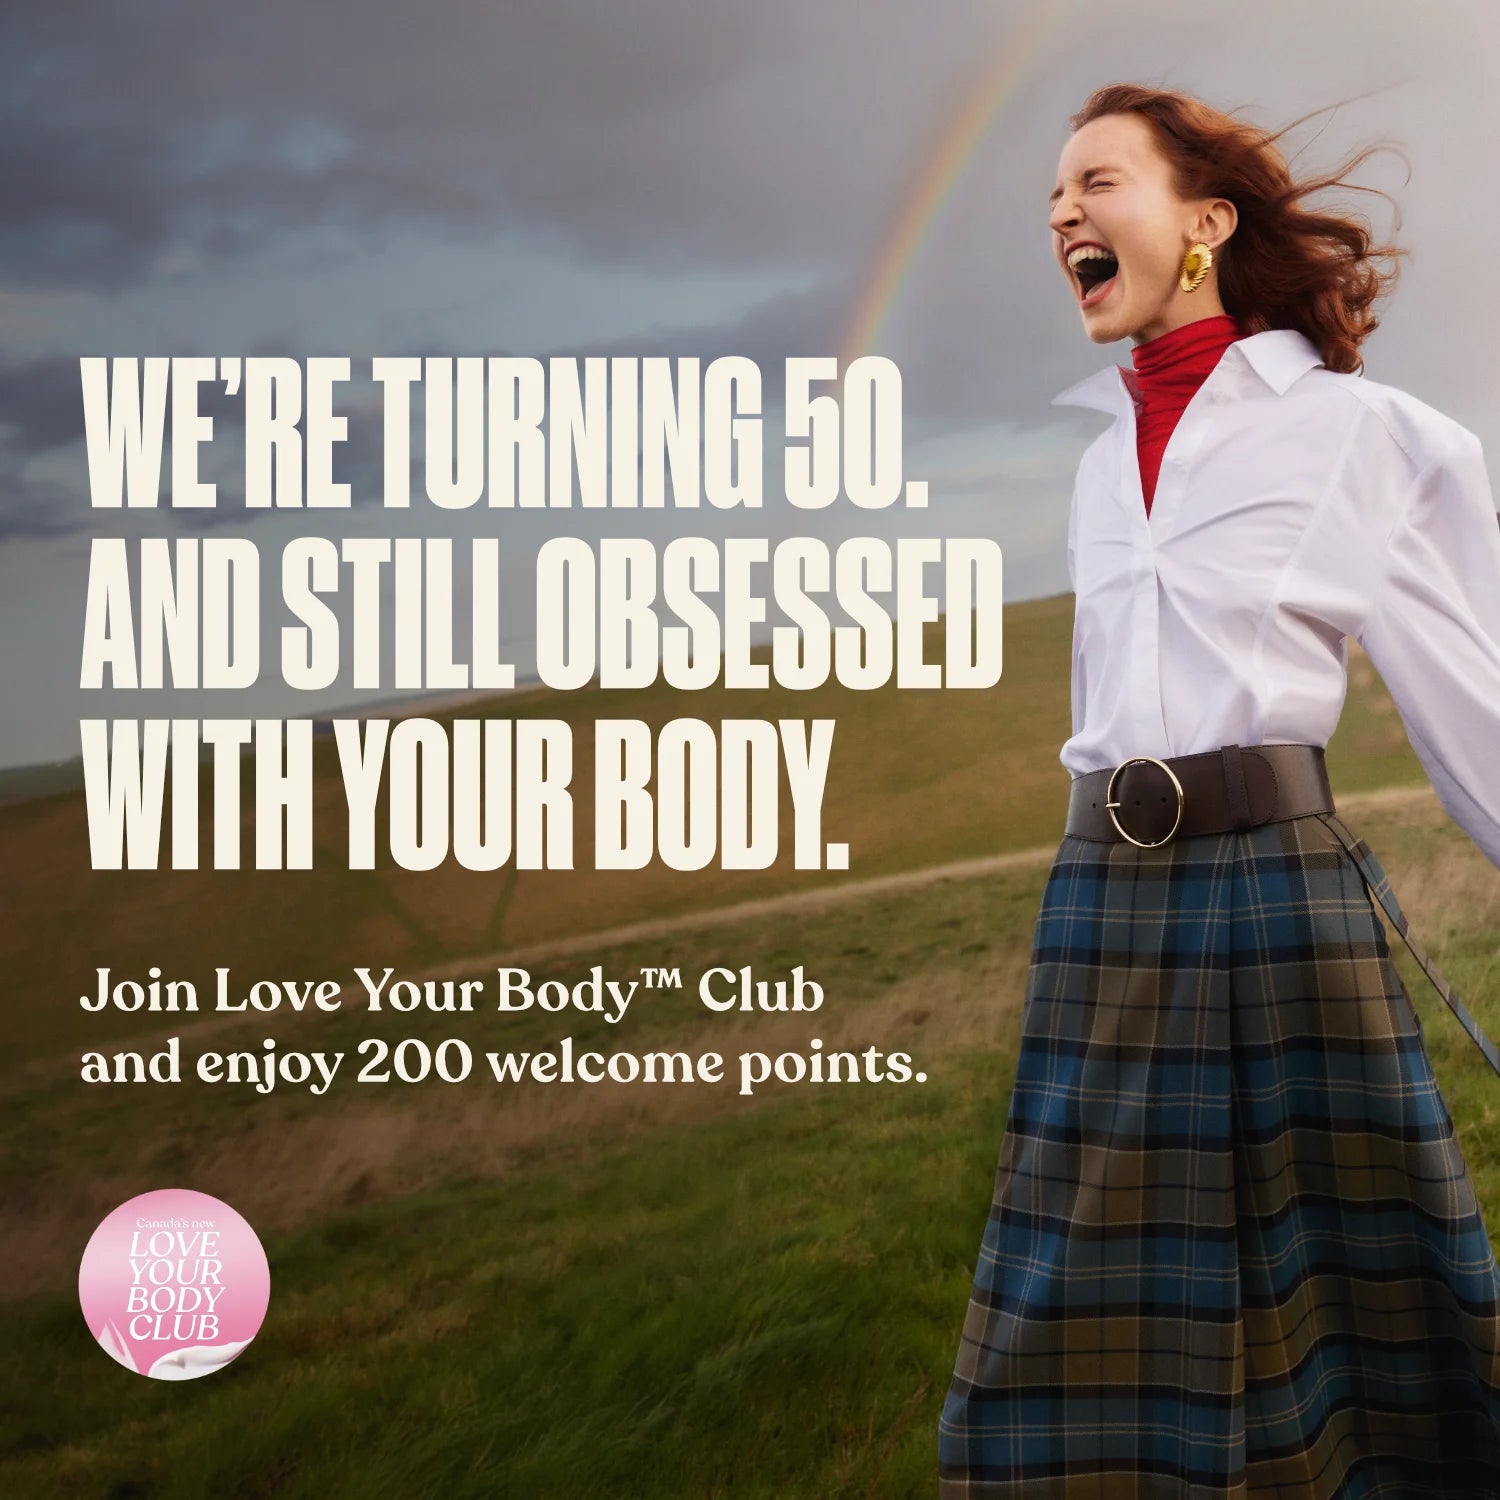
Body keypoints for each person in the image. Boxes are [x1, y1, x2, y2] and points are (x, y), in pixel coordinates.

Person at [936, 83, 1500, 1497]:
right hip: (1107, 910)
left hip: (1281, 893)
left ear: (1204, 222)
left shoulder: (1366, 436)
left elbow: (1471, 698)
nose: (1063, 211)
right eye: (1050, 197)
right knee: (1062, 1304)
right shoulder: (1089, 465)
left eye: (1097, 181)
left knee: (1369, 1291)